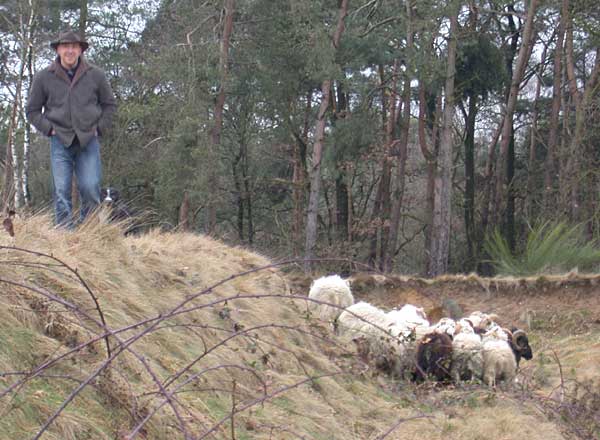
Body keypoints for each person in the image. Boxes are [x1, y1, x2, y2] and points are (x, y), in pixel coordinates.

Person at [26, 30, 117, 228]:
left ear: (80, 50)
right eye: (65, 46)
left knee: (91, 188)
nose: (69, 50)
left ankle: (88, 234)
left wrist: (98, 129)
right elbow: (32, 110)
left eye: (74, 46)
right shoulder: (44, 77)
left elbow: (109, 105)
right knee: (61, 192)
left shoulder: (96, 75)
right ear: (58, 49)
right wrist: (49, 129)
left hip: (88, 141)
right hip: (59, 141)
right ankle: (65, 239)